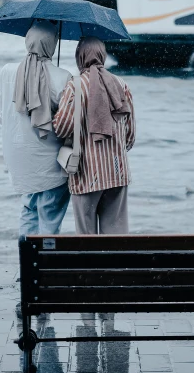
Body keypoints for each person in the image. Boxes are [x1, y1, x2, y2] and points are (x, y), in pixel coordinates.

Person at [0, 20, 71, 236]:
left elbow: (1, 115)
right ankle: (46, 264)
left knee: (28, 210)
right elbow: (67, 125)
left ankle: (28, 263)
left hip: (21, 161)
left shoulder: (7, 72)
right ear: (52, 44)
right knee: (50, 216)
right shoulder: (63, 76)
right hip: (52, 164)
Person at [53, 37, 135, 235]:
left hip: (86, 172)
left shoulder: (75, 86)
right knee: (115, 237)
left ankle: (92, 266)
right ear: (102, 55)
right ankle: (113, 266)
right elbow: (130, 136)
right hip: (117, 171)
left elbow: (62, 128)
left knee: (87, 237)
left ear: (79, 56)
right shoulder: (121, 85)